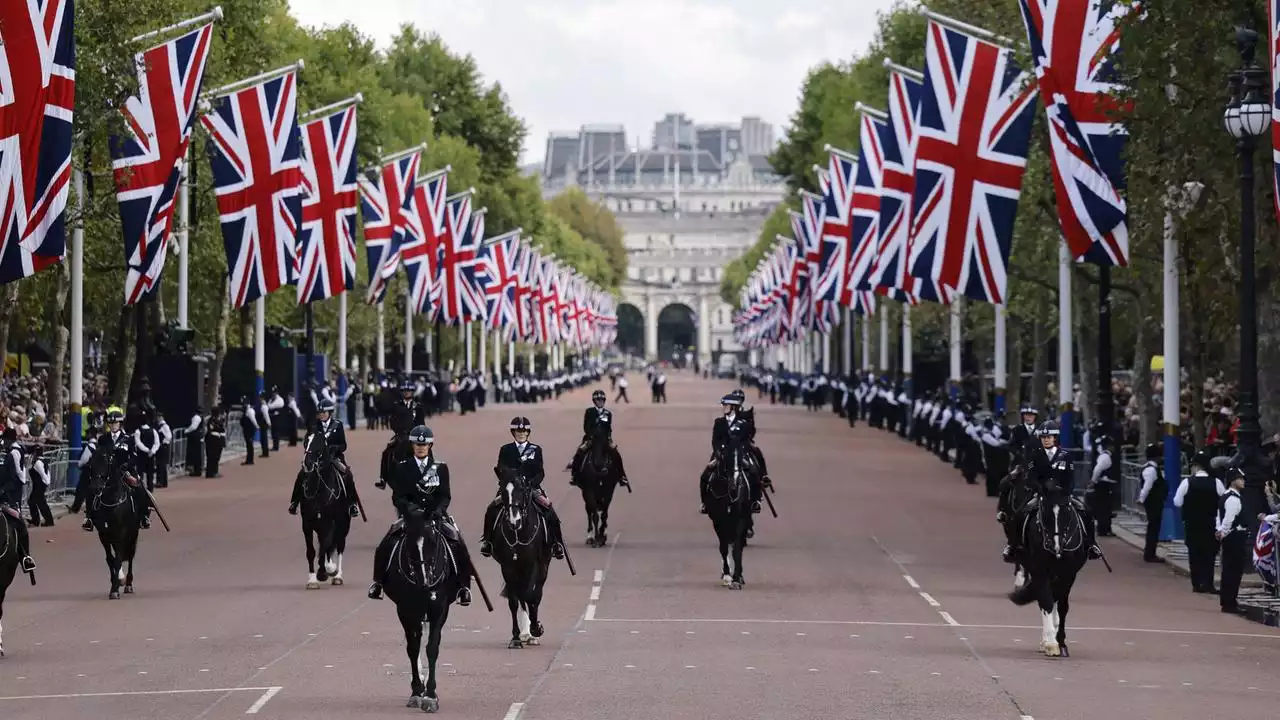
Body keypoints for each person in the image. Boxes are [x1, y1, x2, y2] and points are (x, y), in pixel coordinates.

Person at [367, 425, 473, 605]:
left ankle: (464, 587)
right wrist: (409, 508)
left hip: (435, 517)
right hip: (410, 517)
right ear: (412, 446)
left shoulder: (440, 468)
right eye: (417, 445)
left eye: (424, 445)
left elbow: (445, 495)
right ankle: (377, 583)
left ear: (430, 446)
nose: (421, 447)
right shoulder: (402, 467)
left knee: (459, 544)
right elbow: (397, 497)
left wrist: (439, 510)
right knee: (385, 545)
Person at [1002, 420, 1101, 563]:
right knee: (1019, 514)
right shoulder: (1034, 456)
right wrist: (1040, 487)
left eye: (1049, 437)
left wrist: (1065, 490)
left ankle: (1092, 545)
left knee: (1085, 511)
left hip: (1062, 495)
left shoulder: (1066, 456)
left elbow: (1070, 478)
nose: (1046, 440)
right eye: (1043, 437)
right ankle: (1013, 546)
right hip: (1041, 494)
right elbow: (1031, 477)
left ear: (1055, 438)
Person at [479, 417, 566, 560]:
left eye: (524, 431)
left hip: (531, 488)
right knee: (491, 509)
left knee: (550, 510)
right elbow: (501, 468)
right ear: (513, 432)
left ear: (528, 433)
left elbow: (540, 472)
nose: (521, 434)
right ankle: (487, 542)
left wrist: (530, 483)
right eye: (518, 431)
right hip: (510, 489)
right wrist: (509, 479)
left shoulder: (536, 450)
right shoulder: (506, 449)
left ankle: (556, 543)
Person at [699, 390, 767, 515]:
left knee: (753, 472)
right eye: (724, 405)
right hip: (721, 453)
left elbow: (747, 438)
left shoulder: (744, 424)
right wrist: (718, 452)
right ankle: (704, 503)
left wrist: (740, 449)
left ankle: (756, 501)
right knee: (705, 475)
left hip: (739, 453)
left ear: (734, 407)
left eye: (726, 405)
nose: (724, 408)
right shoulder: (719, 422)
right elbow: (715, 440)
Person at [288, 400, 360, 518]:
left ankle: (352, 504)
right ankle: (294, 502)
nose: (321, 414)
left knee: (348, 475)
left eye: (323, 412)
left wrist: (335, 448)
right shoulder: (314, 426)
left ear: (330, 412)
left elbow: (344, 445)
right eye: (319, 412)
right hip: (317, 459)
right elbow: (307, 441)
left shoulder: (338, 425)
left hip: (334, 457)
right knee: (301, 474)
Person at [1173, 450, 1224, 593]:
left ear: (1195, 466)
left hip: (1192, 523)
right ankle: (1209, 583)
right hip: (1211, 522)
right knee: (1209, 554)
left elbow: (1177, 502)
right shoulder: (1216, 482)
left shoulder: (1187, 482)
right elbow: (1223, 500)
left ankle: (1196, 584)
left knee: (1194, 554)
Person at [566, 390, 629, 487]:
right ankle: (574, 476)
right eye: (598, 400)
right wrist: (591, 435)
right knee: (579, 453)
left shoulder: (608, 413)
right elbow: (586, 426)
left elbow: (608, 428)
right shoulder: (589, 412)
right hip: (590, 439)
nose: (600, 402)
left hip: (605, 439)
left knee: (616, 455)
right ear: (594, 401)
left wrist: (609, 438)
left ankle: (621, 476)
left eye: (602, 400)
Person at [0, 427, 36, 573]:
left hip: (6, 498)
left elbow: (13, 477)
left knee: (19, 522)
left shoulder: (10, 455)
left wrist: (3, 491)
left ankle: (25, 556)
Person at [379, 380, 424, 489]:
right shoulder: (396, 406)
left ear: (412, 392)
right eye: (404, 390)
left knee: (428, 451)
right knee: (386, 452)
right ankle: (383, 479)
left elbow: (421, 422)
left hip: (415, 435)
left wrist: (418, 432)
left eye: (409, 391)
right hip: (400, 435)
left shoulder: (417, 406)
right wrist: (399, 431)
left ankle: (429, 477)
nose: (406, 392)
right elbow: (393, 421)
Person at [1216, 467, 1249, 613]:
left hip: (1230, 536)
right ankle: (1230, 602)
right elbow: (1228, 519)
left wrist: (1219, 530)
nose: (1243, 481)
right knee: (1233, 571)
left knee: (1229, 569)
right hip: (1234, 537)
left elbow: (1219, 516)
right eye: (1240, 478)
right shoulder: (1233, 499)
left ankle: (1228, 600)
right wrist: (1224, 532)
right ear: (1232, 480)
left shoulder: (1225, 495)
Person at [1136, 442, 1167, 562]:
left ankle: (1150, 552)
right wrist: (1141, 498)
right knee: (1153, 527)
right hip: (1153, 502)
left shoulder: (1150, 468)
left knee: (1153, 527)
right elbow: (1147, 486)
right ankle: (1150, 554)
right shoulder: (1151, 470)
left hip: (1154, 502)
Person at [1087, 426, 1117, 536]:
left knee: (1105, 507)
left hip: (1103, 484)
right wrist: (1093, 481)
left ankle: (1104, 528)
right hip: (1103, 485)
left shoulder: (1105, 456)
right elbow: (1098, 469)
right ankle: (1103, 529)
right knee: (1104, 507)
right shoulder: (1105, 457)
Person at [26, 443, 54, 527]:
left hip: (39, 485)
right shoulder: (42, 460)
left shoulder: (38, 462)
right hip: (39, 485)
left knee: (38, 502)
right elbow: (47, 473)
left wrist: (46, 482)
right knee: (35, 502)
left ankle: (40, 521)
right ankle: (40, 520)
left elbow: (43, 474)